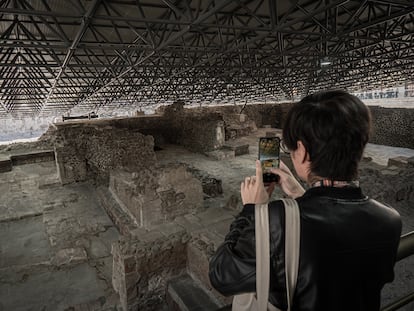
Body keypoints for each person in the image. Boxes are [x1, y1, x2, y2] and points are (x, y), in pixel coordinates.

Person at [209, 90, 402, 310]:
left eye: (290, 148)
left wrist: (252, 211)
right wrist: (300, 192)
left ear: (302, 151)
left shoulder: (277, 221)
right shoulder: (390, 220)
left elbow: (221, 275)